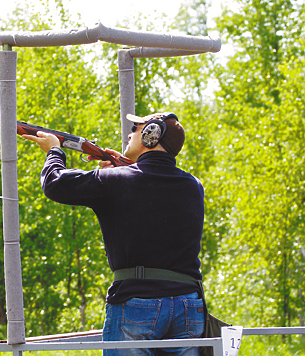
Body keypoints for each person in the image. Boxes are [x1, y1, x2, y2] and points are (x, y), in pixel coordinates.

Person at [23, 112, 205, 356]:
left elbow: (55, 183)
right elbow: (150, 186)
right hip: (189, 304)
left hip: (137, 303)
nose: (130, 133)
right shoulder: (193, 185)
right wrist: (126, 168)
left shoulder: (116, 180)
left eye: (137, 128)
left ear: (152, 135)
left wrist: (54, 151)